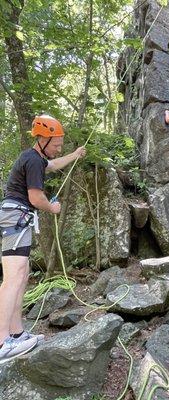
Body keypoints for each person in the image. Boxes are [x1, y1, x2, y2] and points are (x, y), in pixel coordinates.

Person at [0, 114, 86, 363]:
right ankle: (2, 341)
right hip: (16, 216)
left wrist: (75, 154)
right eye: (56, 143)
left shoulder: (35, 158)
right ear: (43, 140)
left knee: (22, 275)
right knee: (13, 278)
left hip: (16, 217)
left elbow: (54, 164)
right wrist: (52, 208)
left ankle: (16, 333)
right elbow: (37, 198)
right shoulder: (34, 160)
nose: (59, 147)